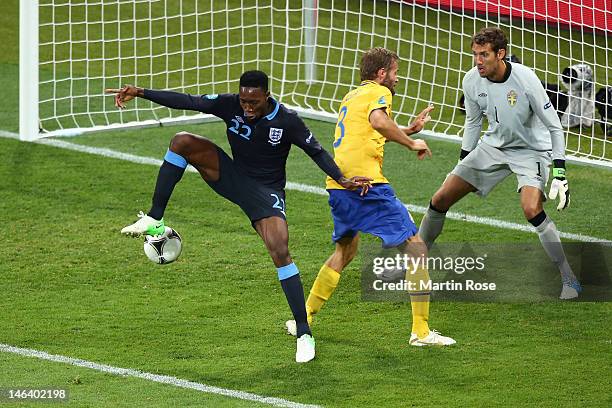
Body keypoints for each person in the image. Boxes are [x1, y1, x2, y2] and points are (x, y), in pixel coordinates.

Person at [105, 71, 370, 363]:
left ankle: (304, 333)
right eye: (243, 101)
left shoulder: (287, 121)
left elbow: (316, 151)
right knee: (182, 141)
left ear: (267, 97)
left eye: (253, 102)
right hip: (231, 175)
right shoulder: (230, 104)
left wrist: (342, 179)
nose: (247, 107)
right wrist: (141, 92)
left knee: (280, 249)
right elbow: (188, 101)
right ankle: (155, 219)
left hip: (265, 192)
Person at [285, 48, 456, 346]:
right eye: (395, 72)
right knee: (417, 249)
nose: (397, 78)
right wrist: (411, 142)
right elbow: (378, 122)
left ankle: (304, 317)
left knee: (345, 252)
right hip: (368, 187)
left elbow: (369, 130)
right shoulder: (380, 93)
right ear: (381, 74)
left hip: (340, 184)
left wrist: (407, 128)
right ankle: (421, 331)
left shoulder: (352, 96)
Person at [419, 27, 582, 300]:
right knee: (440, 198)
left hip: (531, 151)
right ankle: (416, 265)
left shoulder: (526, 78)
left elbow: (555, 127)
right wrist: (463, 164)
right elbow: (472, 123)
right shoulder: (471, 81)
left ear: (501, 54)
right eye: (475, 54)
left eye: (484, 55)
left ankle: (569, 277)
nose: (478, 61)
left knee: (531, 209)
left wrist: (560, 172)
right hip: (493, 146)